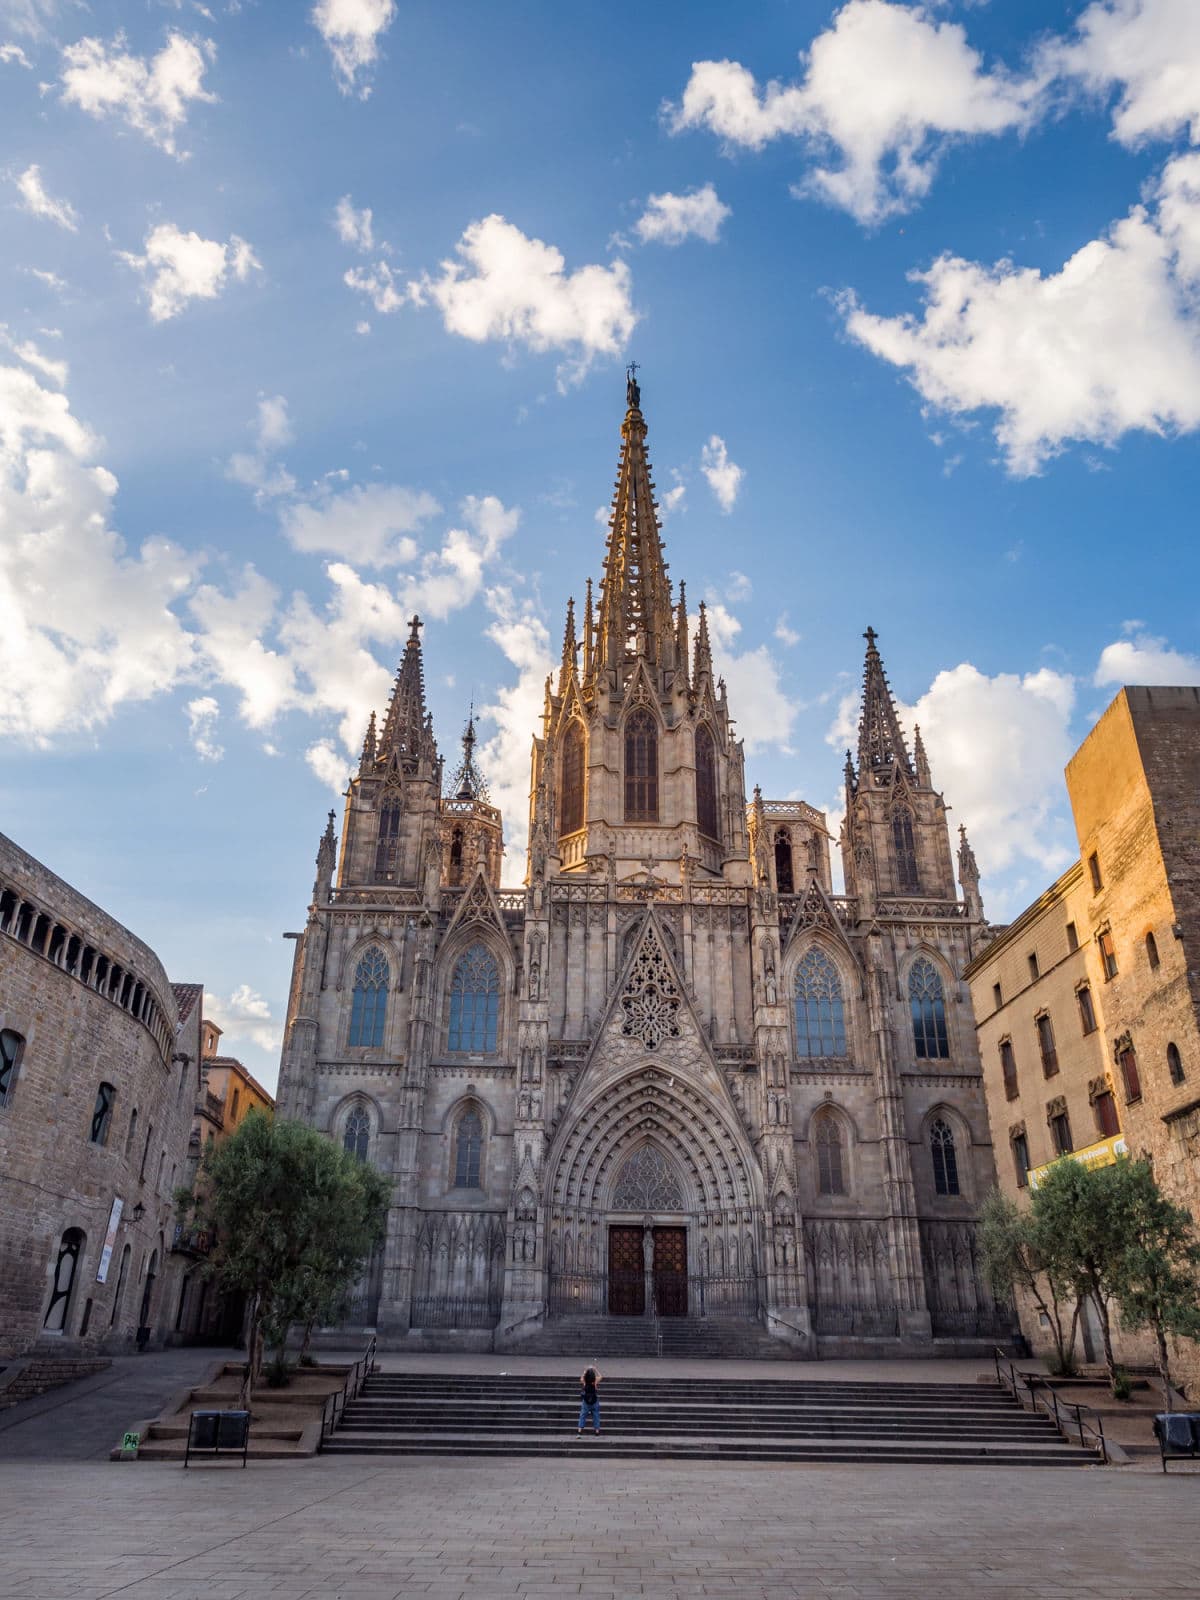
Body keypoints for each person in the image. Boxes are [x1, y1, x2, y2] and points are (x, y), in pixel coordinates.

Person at [577, 1362, 602, 1436]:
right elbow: (601, 1376)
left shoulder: (585, 1382)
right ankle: (597, 1431)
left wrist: (585, 1371)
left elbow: (581, 1378)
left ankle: (579, 1431)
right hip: (594, 1401)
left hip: (586, 1402)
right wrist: (595, 1369)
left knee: (582, 1415)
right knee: (596, 1416)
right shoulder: (595, 1382)